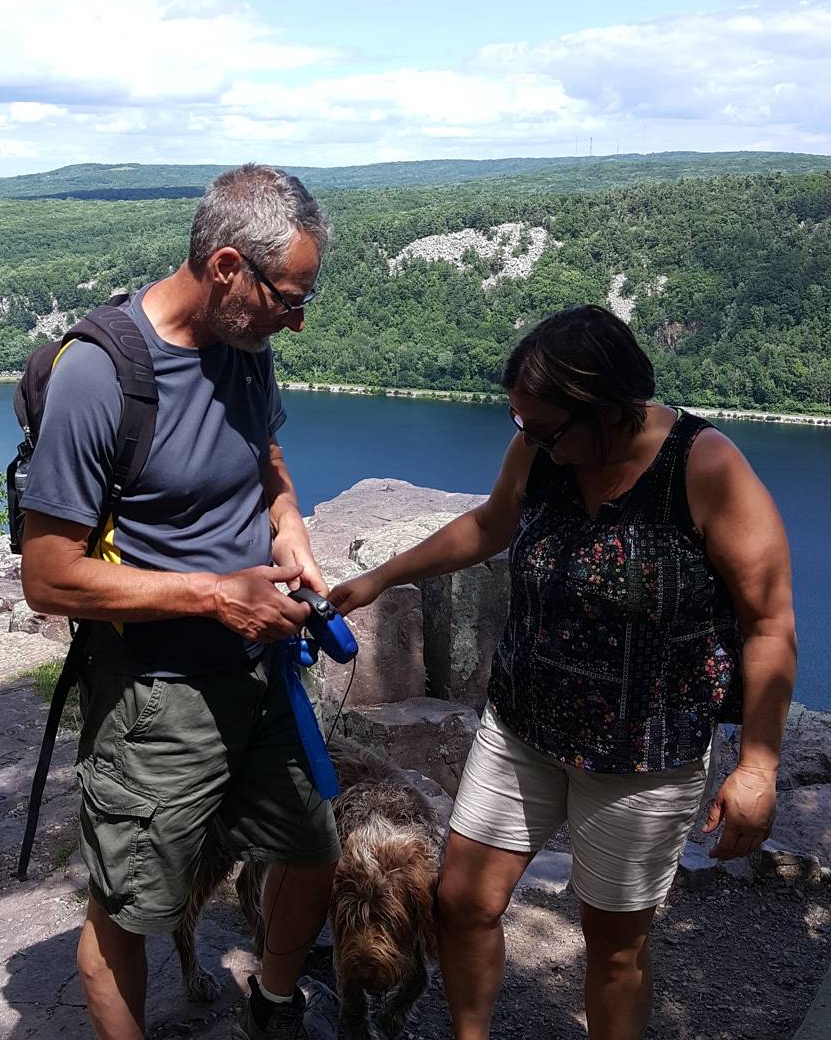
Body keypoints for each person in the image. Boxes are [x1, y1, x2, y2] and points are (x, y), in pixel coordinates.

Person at [330, 304, 796, 1040]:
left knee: (614, 949)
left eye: (545, 427)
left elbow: (770, 624)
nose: (532, 442)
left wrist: (758, 768)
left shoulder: (704, 469)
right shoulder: (543, 449)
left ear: (608, 411)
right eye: (523, 425)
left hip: (639, 756)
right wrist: (379, 579)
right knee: (461, 902)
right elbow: (491, 523)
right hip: (522, 725)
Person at [20, 164, 340, 1040]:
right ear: (228, 266)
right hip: (160, 696)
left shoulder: (245, 343)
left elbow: (266, 461)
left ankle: (272, 1001)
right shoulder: (101, 376)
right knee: (132, 912)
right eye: (288, 296)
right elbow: (48, 577)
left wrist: (292, 535)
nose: (296, 319)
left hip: (262, 672)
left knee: (313, 855)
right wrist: (212, 596)